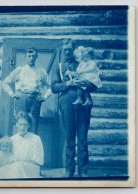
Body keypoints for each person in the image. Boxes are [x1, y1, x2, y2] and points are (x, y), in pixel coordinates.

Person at [51, 39, 98, 177]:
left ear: (73, 50)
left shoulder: (83, 64)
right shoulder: (59, 67)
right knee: (70, 137)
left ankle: (83, 171)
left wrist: (84, 82)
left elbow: (93, 85)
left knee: (82, 138)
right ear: (61, 50)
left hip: (83, 105)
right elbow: (54, 87)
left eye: (69, 49)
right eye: (64, 49)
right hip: (66, 105)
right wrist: (68, 83)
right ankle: (69, 170)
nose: (67, 52)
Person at [2, 48, 52, 134]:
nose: (31, 58)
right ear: (25, 57)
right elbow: (5, 83)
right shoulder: (19, 70)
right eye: (29, 56)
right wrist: (12, 94)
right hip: (21, 98)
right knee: (21, 124)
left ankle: (32, 146)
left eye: (33, 56)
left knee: (33, 126)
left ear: (36, 57)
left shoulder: (41, 71)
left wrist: (45, 97)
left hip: (35, 99)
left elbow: (51, 86)